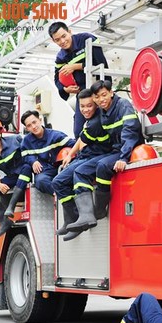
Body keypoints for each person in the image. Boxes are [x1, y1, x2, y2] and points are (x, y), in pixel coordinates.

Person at [51, 89, 107, 241]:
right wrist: (69, 155)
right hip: (85, 156)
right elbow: (81, 140)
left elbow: (83, 140)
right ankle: (72, 220)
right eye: (82, 106)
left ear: (95, 104)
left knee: (70, 177)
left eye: (89, 105)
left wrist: (73, 155)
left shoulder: (96, 121)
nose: (85, 109)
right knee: (58, 182)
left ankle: (81, 218)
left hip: (95, 157)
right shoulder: (88, 119)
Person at [90, 79, 144, 219]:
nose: (101, 99)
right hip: (117, 150)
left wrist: (124, 158)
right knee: (92, 165)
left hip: (130, 149)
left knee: (102, 166)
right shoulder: (102, 112)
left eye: (104, 95)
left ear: (111, 93)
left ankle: (100, 210)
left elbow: (130, 131)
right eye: (97, 97)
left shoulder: (123, 105)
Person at [49, 21, 110, 138]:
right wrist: (65, 89)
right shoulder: (60, 57)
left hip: (99, 89)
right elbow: (57, 79)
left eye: (64, 36)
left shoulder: (87, 39)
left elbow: (100, 63)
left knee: (102, 124)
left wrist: (75, 66)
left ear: (69, 31)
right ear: (53, 41)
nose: (62, 41)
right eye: (57, 40)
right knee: (78, 131)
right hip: (81, 93)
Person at [0, 116, 32, 238]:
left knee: (26, 167)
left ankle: (11, 207)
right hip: (13, 178)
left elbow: (30, 153)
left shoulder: (16, 140)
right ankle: (4, 221)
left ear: (0, 131)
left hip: (28, 172)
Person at [19, 110, 75, 195]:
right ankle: (59, 194)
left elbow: (74, 145)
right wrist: (33, 161)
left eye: (34, 122)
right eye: (29, 125)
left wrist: (69, 155)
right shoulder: (27, 141)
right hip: (44, 171)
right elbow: (25, 155)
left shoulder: (56, 136)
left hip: (62, 168)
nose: (34, 127)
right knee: (40, 181)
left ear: (40, 120)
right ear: (26, 128)